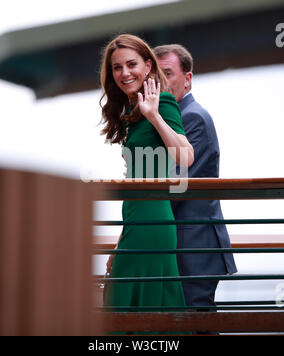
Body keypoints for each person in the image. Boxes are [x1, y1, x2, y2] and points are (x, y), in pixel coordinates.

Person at [99, 34, 194, 321]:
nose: (125, 73)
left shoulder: (161, 102)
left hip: (153, 224)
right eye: (117, 67)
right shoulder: (130, 111)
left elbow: (186, 157)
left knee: (137, 313)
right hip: (135, 223)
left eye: (131, 64)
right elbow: (138, 179)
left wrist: (154, 116)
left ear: (148, 65)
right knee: (127, 309)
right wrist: (120, 240)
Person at [154, 44, 237, 309]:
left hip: (194, 245)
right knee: (187, 324)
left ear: (187, 79)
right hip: (187, 242)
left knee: (195, 323)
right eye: (156, 75)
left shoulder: (192, 119)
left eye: (167, 73)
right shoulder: (174, 120)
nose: (161, 82)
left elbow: (176, 183)